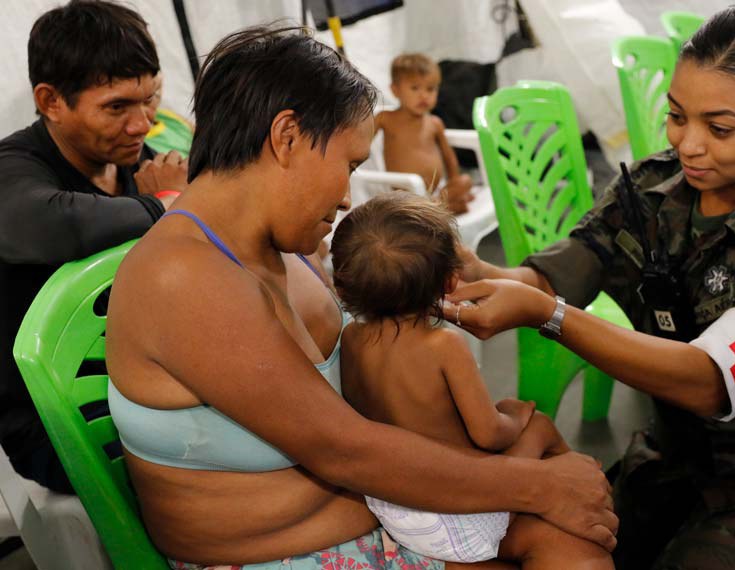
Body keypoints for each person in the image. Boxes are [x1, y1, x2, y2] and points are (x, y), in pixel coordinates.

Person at [105, 25, 616, 570]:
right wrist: (536, 484)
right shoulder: (184, 276)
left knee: (571, 539)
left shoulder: (280, 245)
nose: (348, 196)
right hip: (290, 555)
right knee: (573, 544)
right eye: (349, 165)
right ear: (287, 137)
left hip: (381, 519)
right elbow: (343, 448)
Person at [445, 4, 735, 569]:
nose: (689, 145)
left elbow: (713, 380)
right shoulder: (652, 188)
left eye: (720, 129)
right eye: (676, 116)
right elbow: (559, 272)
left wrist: (548, 314)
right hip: (672, 458)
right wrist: (478, 272)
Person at [331, 191, 612, 568]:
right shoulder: (442, 345)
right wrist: (516, 417)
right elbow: (489, 434)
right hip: (464, 511)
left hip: (398, 513)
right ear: (451, 280)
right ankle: (584, 503)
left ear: (343, 287)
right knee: (539, 426)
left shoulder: (349, 339)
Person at [0, 0, 188, 494]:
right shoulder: (14, 168)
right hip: (57, 425)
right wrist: (167, 205)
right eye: (116, 107)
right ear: (50, 101)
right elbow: (45, 223)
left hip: (149, 393)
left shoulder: (142, 163)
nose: (143, 124)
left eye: (150, 98)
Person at [376, 53, 474, 214]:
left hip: (435, 192)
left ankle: (437, 205)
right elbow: (361, 138)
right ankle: (444, 206)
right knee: (418, 204)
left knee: (465, 181)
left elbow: (448, 156)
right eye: (415, 88)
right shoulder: (386, 118)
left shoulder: (435, 123)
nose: (424, 95)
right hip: (404, 194)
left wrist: (454, 180)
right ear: (395, 90)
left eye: (430, 89)